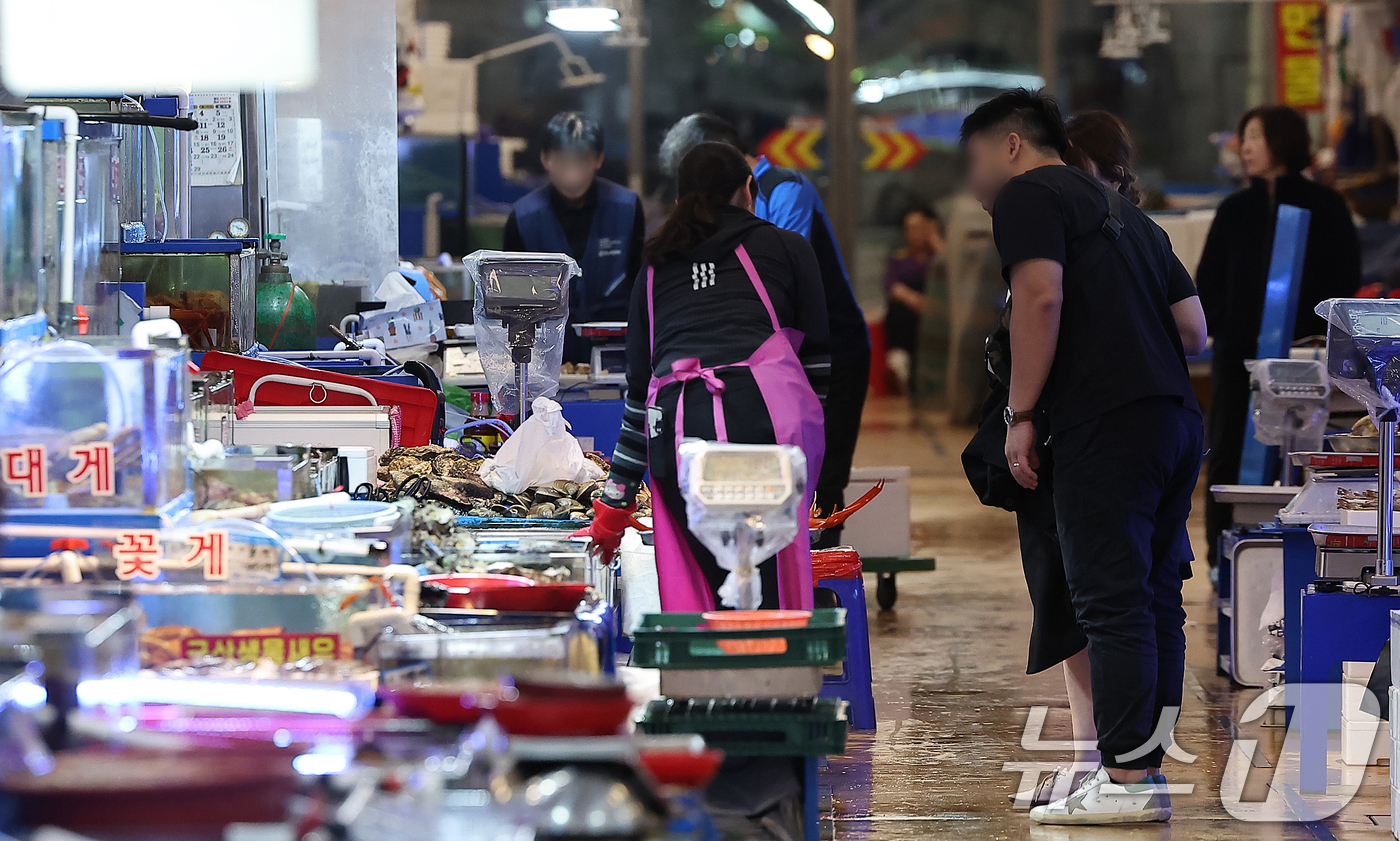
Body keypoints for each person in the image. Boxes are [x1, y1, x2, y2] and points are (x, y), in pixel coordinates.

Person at [962, 90, 1204, 825]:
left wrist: (1023, 412)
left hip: (1102, 424)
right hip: (1172, 420)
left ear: (1010, 145)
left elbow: (1040, 298)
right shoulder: (1128, 213)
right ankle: (1144, 770)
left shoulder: (1029, 195)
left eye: (972, 160)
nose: (971, 181)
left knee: (1109, 599)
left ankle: (1127, 781)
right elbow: (1193, 331)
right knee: (1156, 599)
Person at [576, 141, 830, 611]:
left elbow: (639, 399)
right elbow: (817, 369)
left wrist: (614, 507)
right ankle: (779, 675)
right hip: (769, 432)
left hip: (680, 432)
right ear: (748, 190)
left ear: (679, 202)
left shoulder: (654, 266)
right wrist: (810, 466)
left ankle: (707, 678)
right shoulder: (786, 247)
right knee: (769, 587)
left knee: (704, 594)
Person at [659, 114, 868, 547]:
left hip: (828, 351)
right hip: (771, 363)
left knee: (817, 483)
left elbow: (777, 282)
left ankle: (819, 584)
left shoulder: (784, 189)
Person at [1196, 105, 1362, 567]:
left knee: (1306, 454)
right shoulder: (1233, 210)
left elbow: (1346, 278)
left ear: (1282, 141)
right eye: (1243, 137)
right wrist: (1221, 329)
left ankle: (1309, 552)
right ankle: (1223, 557)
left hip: (1307, 358)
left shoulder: (1326, 206)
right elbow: (1208, 282)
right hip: (1238, 359)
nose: (1243, 147)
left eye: (1253, 136)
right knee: (1228, 450)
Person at [503, 112, 646, 363]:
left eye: (581, 161)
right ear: (545, 159)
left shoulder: (627, 208)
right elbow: (512, 304)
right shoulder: (524, 217)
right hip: (546, 358)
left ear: (598, 160)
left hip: (616, 353)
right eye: (563, 162)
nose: (572, 173)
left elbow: (642, 285)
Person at [883, 203, 943, 393]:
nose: (913, 233)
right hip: (910, 309)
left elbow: (952, 275)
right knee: (898, 310)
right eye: (909, 229)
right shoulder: (900, 258)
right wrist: (914, 299)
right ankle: (900, 360)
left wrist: (935, 239)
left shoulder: (939, 257)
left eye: (919, 228)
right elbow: (891, 284)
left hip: (937, 310)